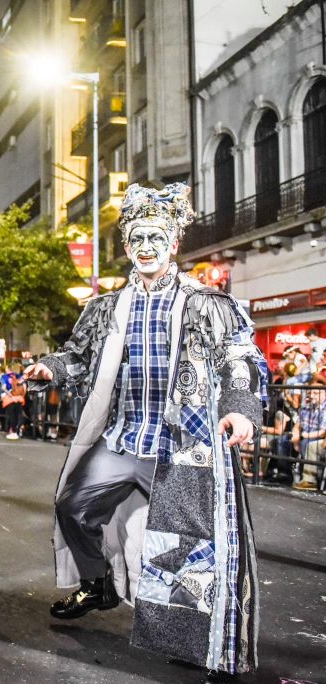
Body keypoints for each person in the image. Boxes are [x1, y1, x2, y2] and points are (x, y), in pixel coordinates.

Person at [23, 183, 265, 674]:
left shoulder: (208, 304)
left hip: (181, 449)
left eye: (156, 236)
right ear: (127, 246)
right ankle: (98, 584)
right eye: (137, 238)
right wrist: (50, 368)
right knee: (72, 507)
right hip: (123, 439)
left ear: (174, 242)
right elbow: (77, 356)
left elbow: (241, 359)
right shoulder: (106, 308)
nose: (147, 246)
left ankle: (194, 641)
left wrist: (241, 409)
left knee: (187, 546)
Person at [292, 380, 325, 491]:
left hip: (318, 438)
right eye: (310, 393)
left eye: (316, 393)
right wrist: (296, 436)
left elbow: (323, 432)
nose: (311, 395)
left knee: (309, 444)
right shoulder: (306, 407)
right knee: (284, 440)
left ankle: (310, 481)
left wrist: (305, 435)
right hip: (306, 437)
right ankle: (283, 473)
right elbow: (297, 426)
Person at [1, 365, 25, 440]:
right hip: (20, 398)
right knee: (19, 414)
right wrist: (22, 396)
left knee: (11, 415)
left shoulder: (5, 377)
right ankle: (20, 428)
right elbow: (24, 387)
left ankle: (13, 431)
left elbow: (3, 388)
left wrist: (11, 395)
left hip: (10, 398)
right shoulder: (20, 376)